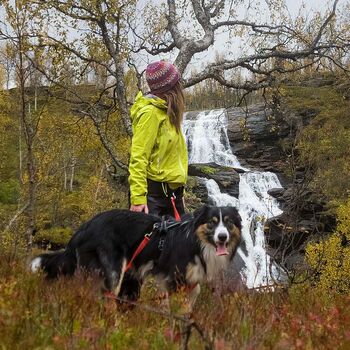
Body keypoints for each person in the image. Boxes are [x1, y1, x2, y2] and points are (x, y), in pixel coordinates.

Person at [128, 60, 188, 218]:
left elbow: (173, 158)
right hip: (154, 201)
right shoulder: (150, 114)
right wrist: (138, 199)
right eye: (177, 83)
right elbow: (138, 157)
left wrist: (180, 191)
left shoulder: (169, 114)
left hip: (173, 197)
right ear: (170, 88)